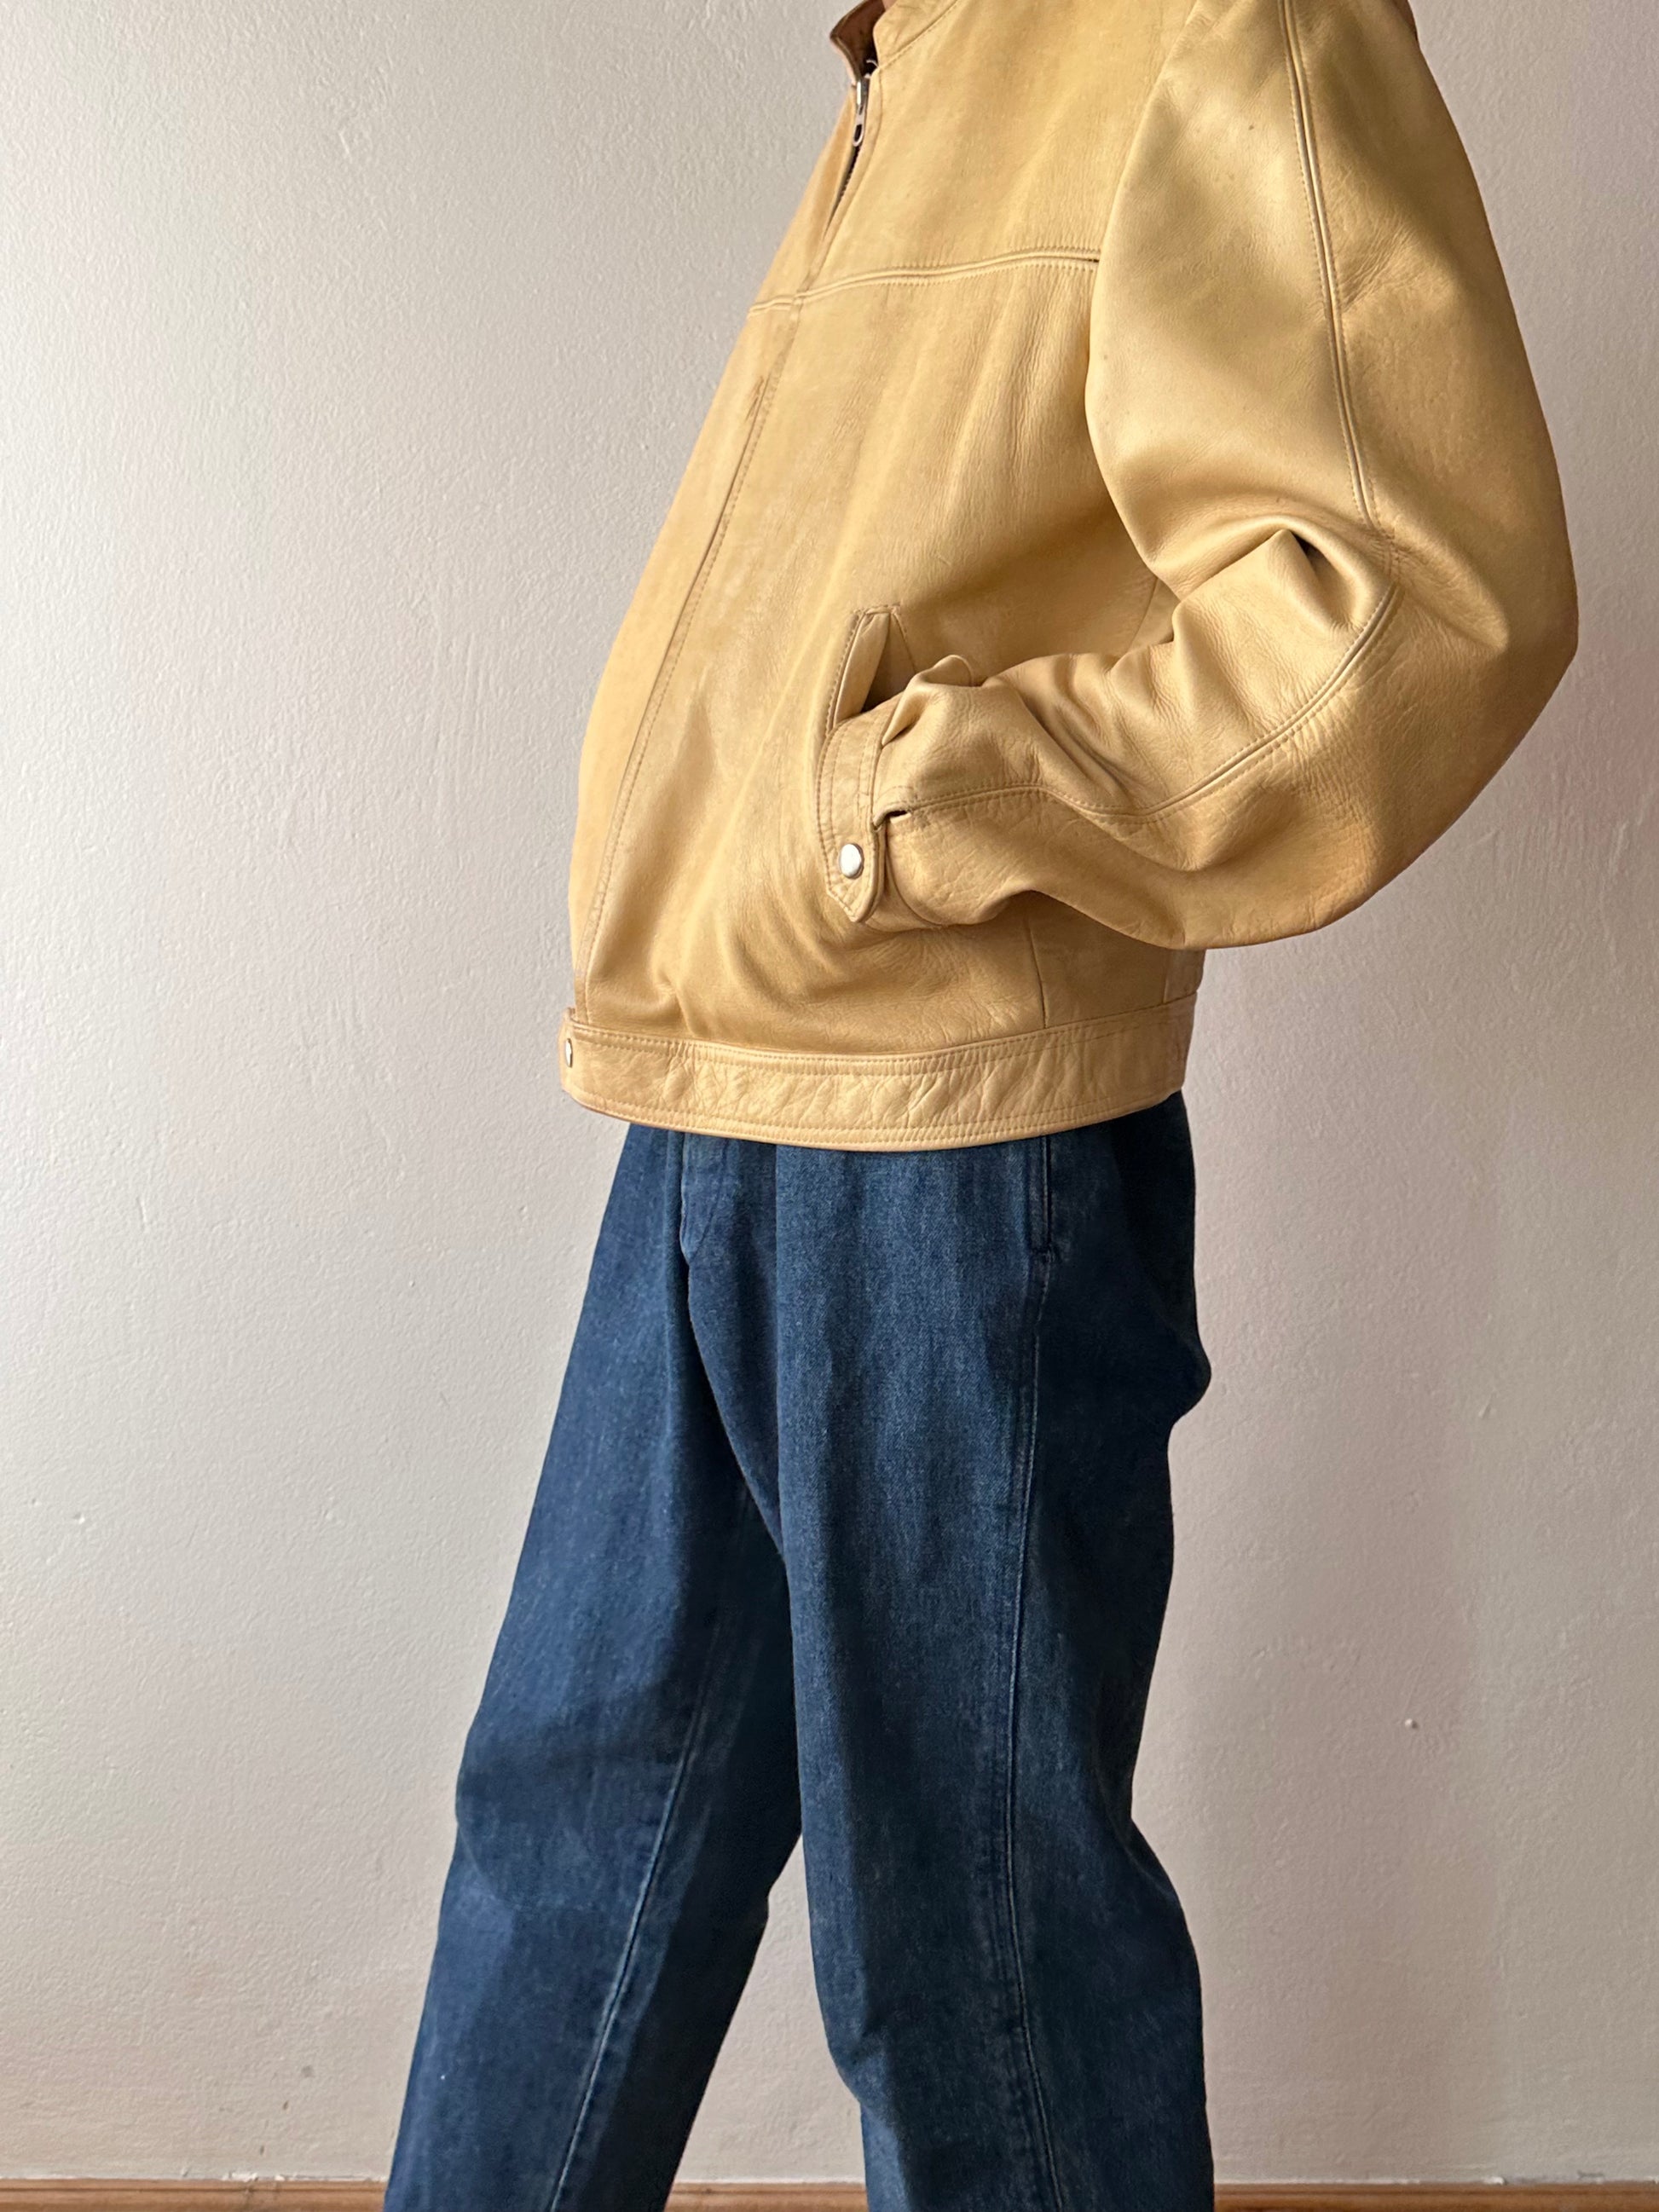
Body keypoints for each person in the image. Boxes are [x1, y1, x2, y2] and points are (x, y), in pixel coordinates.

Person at [384, 0, 1575, 2201]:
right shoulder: (920, 57)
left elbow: (1422, 593)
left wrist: (917, 803)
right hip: (722, 1085)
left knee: (969, 1947)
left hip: (953, 1139)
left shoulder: (1212, 23)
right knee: (567, 1838)